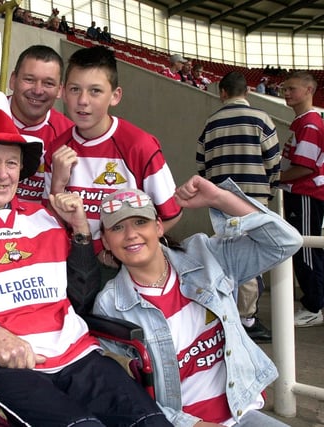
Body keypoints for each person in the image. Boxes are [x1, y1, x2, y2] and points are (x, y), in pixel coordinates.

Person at [0, 90, 172, 427]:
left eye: (11, 162)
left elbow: (82, 297)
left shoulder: (44, 218)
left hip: (76, 355)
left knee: (150, 422)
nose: (3, 173)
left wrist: (80, 233)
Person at [92, 176, 302, 427]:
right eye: (117, 228)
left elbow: (285, 241)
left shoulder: (206, 256)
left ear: (159, 227)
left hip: (241, 414)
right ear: (105, 241)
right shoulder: (110, 305)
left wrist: (221, 199)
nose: (131, 234)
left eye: (140, 222)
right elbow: (124, 395)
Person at [44, 45, 182, 277]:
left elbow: (171, 214)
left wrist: (123, 250)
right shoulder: (57, 149)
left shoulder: (139, 145)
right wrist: (57, 184)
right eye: (75, 89)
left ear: (115, 96)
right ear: (63, 92)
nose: (83, 100)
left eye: (95, 91)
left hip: (125, 268)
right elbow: (52, 221)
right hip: (73, 265)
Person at [196, 71, 281, 343]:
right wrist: (269, 186)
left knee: (227, 254)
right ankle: (246, 318)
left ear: (222, 92)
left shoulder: (210, 123)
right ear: (247, 92)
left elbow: (202, 164)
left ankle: (231, 312)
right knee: (250, 258)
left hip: (221, 199)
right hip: (254, 200)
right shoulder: (262, 119)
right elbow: (273, 161)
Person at [280, 70, 324, 327]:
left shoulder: (309, 124)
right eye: (284, 89)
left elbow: (306, 167)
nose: (286, 93)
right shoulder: (303, 122)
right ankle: (315, 301)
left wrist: (278, 177)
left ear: (309, 90)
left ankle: (313, 306)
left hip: (306, 193)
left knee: (304, 248)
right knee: (308, 247)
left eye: (292, 88)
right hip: (302, 193)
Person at [8, 45, 73, 203]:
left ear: (59, 90)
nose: (38, 90)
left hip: (40, 225)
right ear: (13, 80)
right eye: (29, 80)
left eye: (48, 83)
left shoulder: (69, 134)